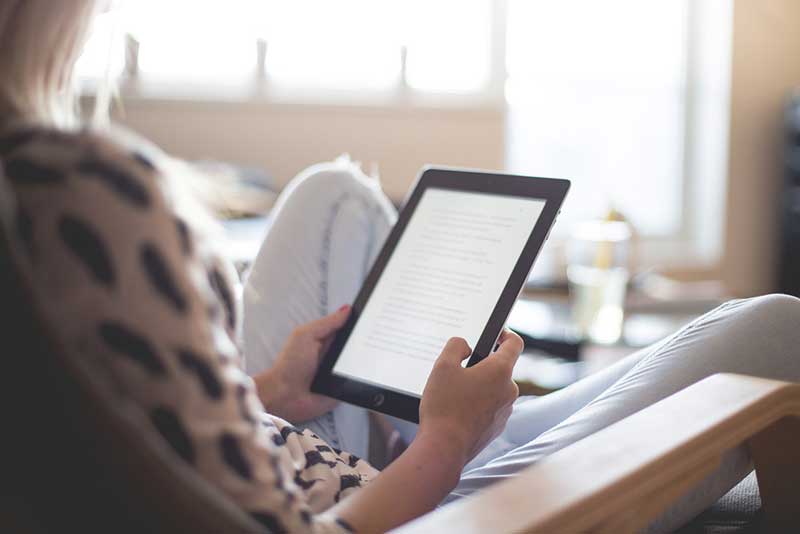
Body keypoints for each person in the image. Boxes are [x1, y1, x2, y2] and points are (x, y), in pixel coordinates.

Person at [1, 1, 797, 532]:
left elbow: (144, 425)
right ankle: (457, 430)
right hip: (410, 510)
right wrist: (443, 446)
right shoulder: (73, 193)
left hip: (297, 441)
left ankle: (433, 419)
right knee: (777, 328)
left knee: (336, 195)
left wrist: (274, 389)